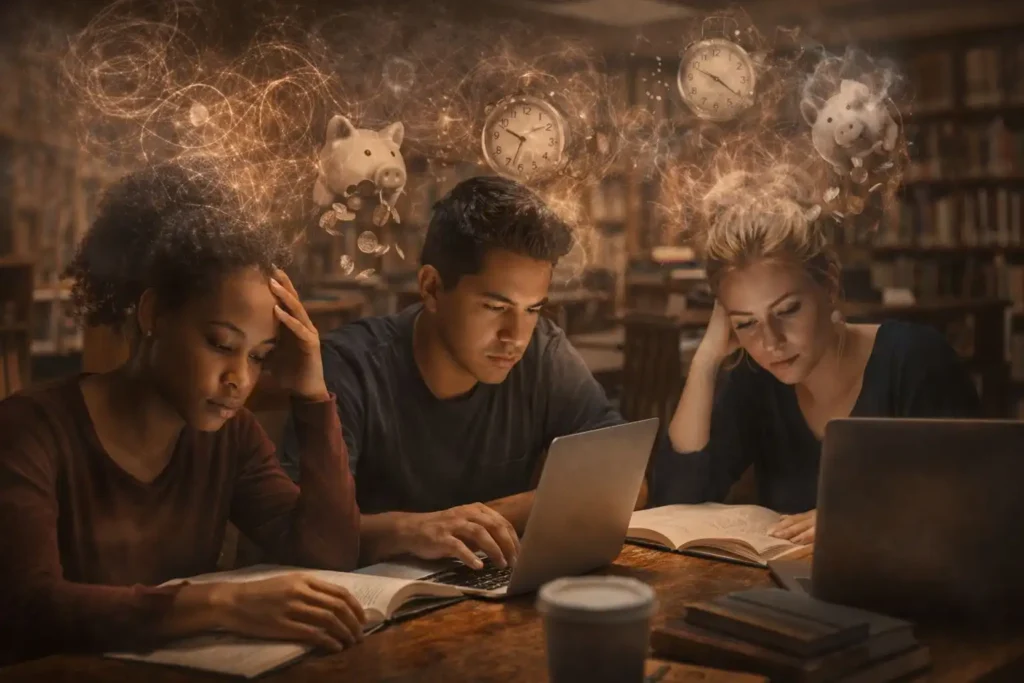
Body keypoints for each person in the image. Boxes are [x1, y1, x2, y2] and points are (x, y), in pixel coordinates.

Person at [0, 162, 367, 664]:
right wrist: (220, 604)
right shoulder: (29, 429)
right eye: (220, 344)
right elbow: (29, 608)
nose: (239, 379)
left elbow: (330, 554)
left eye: (259, 356)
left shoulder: (231, 436)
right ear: (153, 314)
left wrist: (313, 393)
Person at [281, 175, 633, 570]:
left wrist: (480, 519)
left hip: (489, 584)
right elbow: (296, 531)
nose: (515, 336)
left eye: (532, 309)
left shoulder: (543, 352)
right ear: (431, 288)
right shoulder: (352, 367)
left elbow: (626, 483)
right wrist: (410, 531)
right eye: (495, 307)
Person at [652, 170, 980, 544]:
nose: (771, 342)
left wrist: (860, 520)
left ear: (830, 284)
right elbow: (674, 502)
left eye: (788, 310)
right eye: (746, 323)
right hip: (789, 578)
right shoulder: (757, 378)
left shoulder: (915, 361)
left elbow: (973, 506)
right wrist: (706, 360)